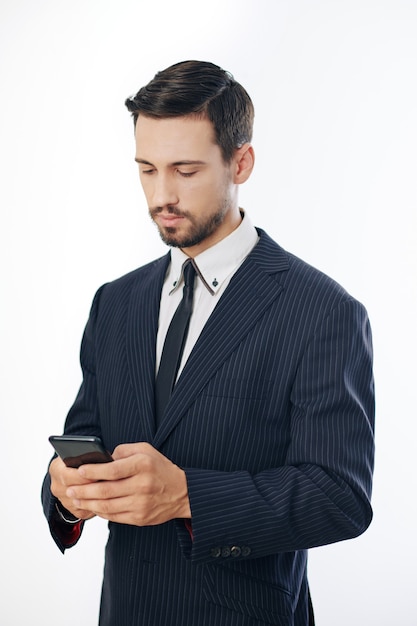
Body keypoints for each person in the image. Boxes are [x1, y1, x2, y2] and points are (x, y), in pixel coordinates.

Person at [42, 60, 375, 626]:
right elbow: (83, 437)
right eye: (146, 170)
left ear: (240, 162)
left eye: (185, 170)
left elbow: (340, 496)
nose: (161, 195)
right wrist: (66, 490)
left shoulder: (323, 311)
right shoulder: (115, 302)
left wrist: (187, 495)